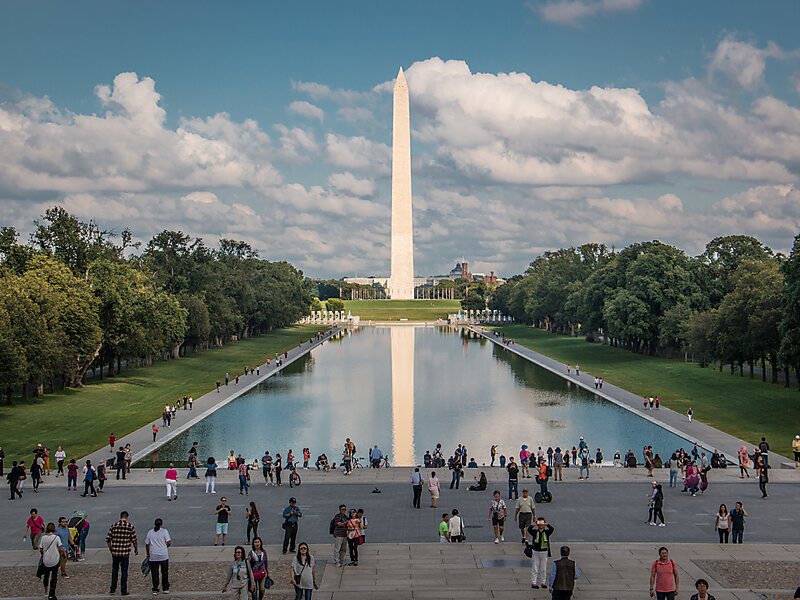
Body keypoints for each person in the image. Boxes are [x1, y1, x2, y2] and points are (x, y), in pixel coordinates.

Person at [106, 510, 138, 596]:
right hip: (125, 552)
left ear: (120, 516)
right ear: (127, 517)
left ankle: (112, 589)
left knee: (114, 571)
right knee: (124, 572)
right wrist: (136, 548)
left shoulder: (114, 526)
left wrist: (111, 549)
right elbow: (134, 539)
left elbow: (108, 539)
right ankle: (123, 590)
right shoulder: (130, 526)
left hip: (115, 552)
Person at [39, 522, 66, 600]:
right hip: (55, 559)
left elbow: (40, 549)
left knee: (46, 576)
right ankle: (52, 593)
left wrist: (43, 554)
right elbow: (61, 548)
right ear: (54, 529)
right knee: (54, 577)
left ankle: (45, 592)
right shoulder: (56, 538)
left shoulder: (43, 538)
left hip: (46, 560)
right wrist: (63, 555)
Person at [145, 518, 171, 595]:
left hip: (153, 556)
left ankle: (155, 588)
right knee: (165, 572)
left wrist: (148, 554)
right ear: (161, 524)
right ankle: (165, 588)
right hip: (163, 555)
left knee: (154, 573)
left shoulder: (150, 532)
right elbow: (168, 542)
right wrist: (165, 546)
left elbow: (147, 544)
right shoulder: (164, 531)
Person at [528, 518, 554, 589]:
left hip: (544, 551)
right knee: (535, 568)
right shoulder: (535, 532)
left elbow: (552, 529)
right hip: (536, 551)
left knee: (543, 568)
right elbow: (529, 530)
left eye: (542, 523)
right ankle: (534, 583)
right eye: (539, 523)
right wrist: (533, 524)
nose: (541, 525)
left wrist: (547, 524)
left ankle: (543, 582)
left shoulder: (546, 532)